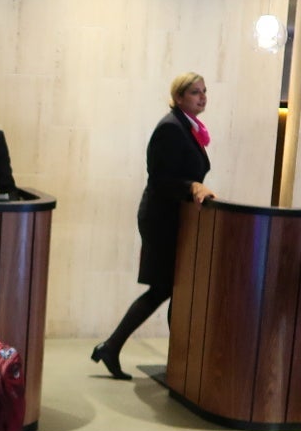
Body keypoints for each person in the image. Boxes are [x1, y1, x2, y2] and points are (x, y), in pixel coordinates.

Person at [92, 72, 216, 380]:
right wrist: (192, 186)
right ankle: (173, 360)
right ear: (178, 97)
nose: (202, 97)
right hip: (161, 220)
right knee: (168, 287)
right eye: (194, 92)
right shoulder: (171, 128)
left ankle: (117, 348)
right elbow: (161, 178)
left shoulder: (187, 127)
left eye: (204, 91)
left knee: (170, 288)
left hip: (176, 219)